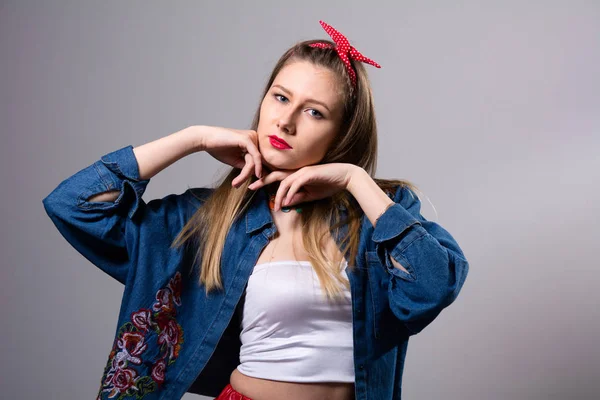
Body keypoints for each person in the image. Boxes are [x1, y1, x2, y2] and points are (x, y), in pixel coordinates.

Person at [42, 20, 469, 400]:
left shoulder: (382, 211)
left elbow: (433, 287)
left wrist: (356, 180)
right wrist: (193, 138)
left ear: (342, 133)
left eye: (314, 112)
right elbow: (74, 205)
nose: (286, 122)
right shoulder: (210, 218)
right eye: (280, 98)